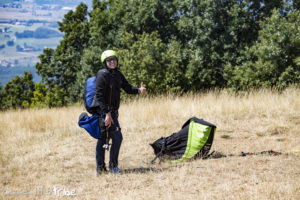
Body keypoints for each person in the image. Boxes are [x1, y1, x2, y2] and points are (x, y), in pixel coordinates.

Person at [94, 50, 146, 175]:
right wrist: (106, 114)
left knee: (108, 138)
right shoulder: (102, 75)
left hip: (113, 112)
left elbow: (127, 88)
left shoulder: (118, 75)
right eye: (109, 60)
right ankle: (106, 168)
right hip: (103, 112)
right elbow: (99, 96)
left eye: (114, 59)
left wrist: (139, 90)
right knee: (108, 138)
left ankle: (106, 168)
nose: (112, 62)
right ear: (104, 62)